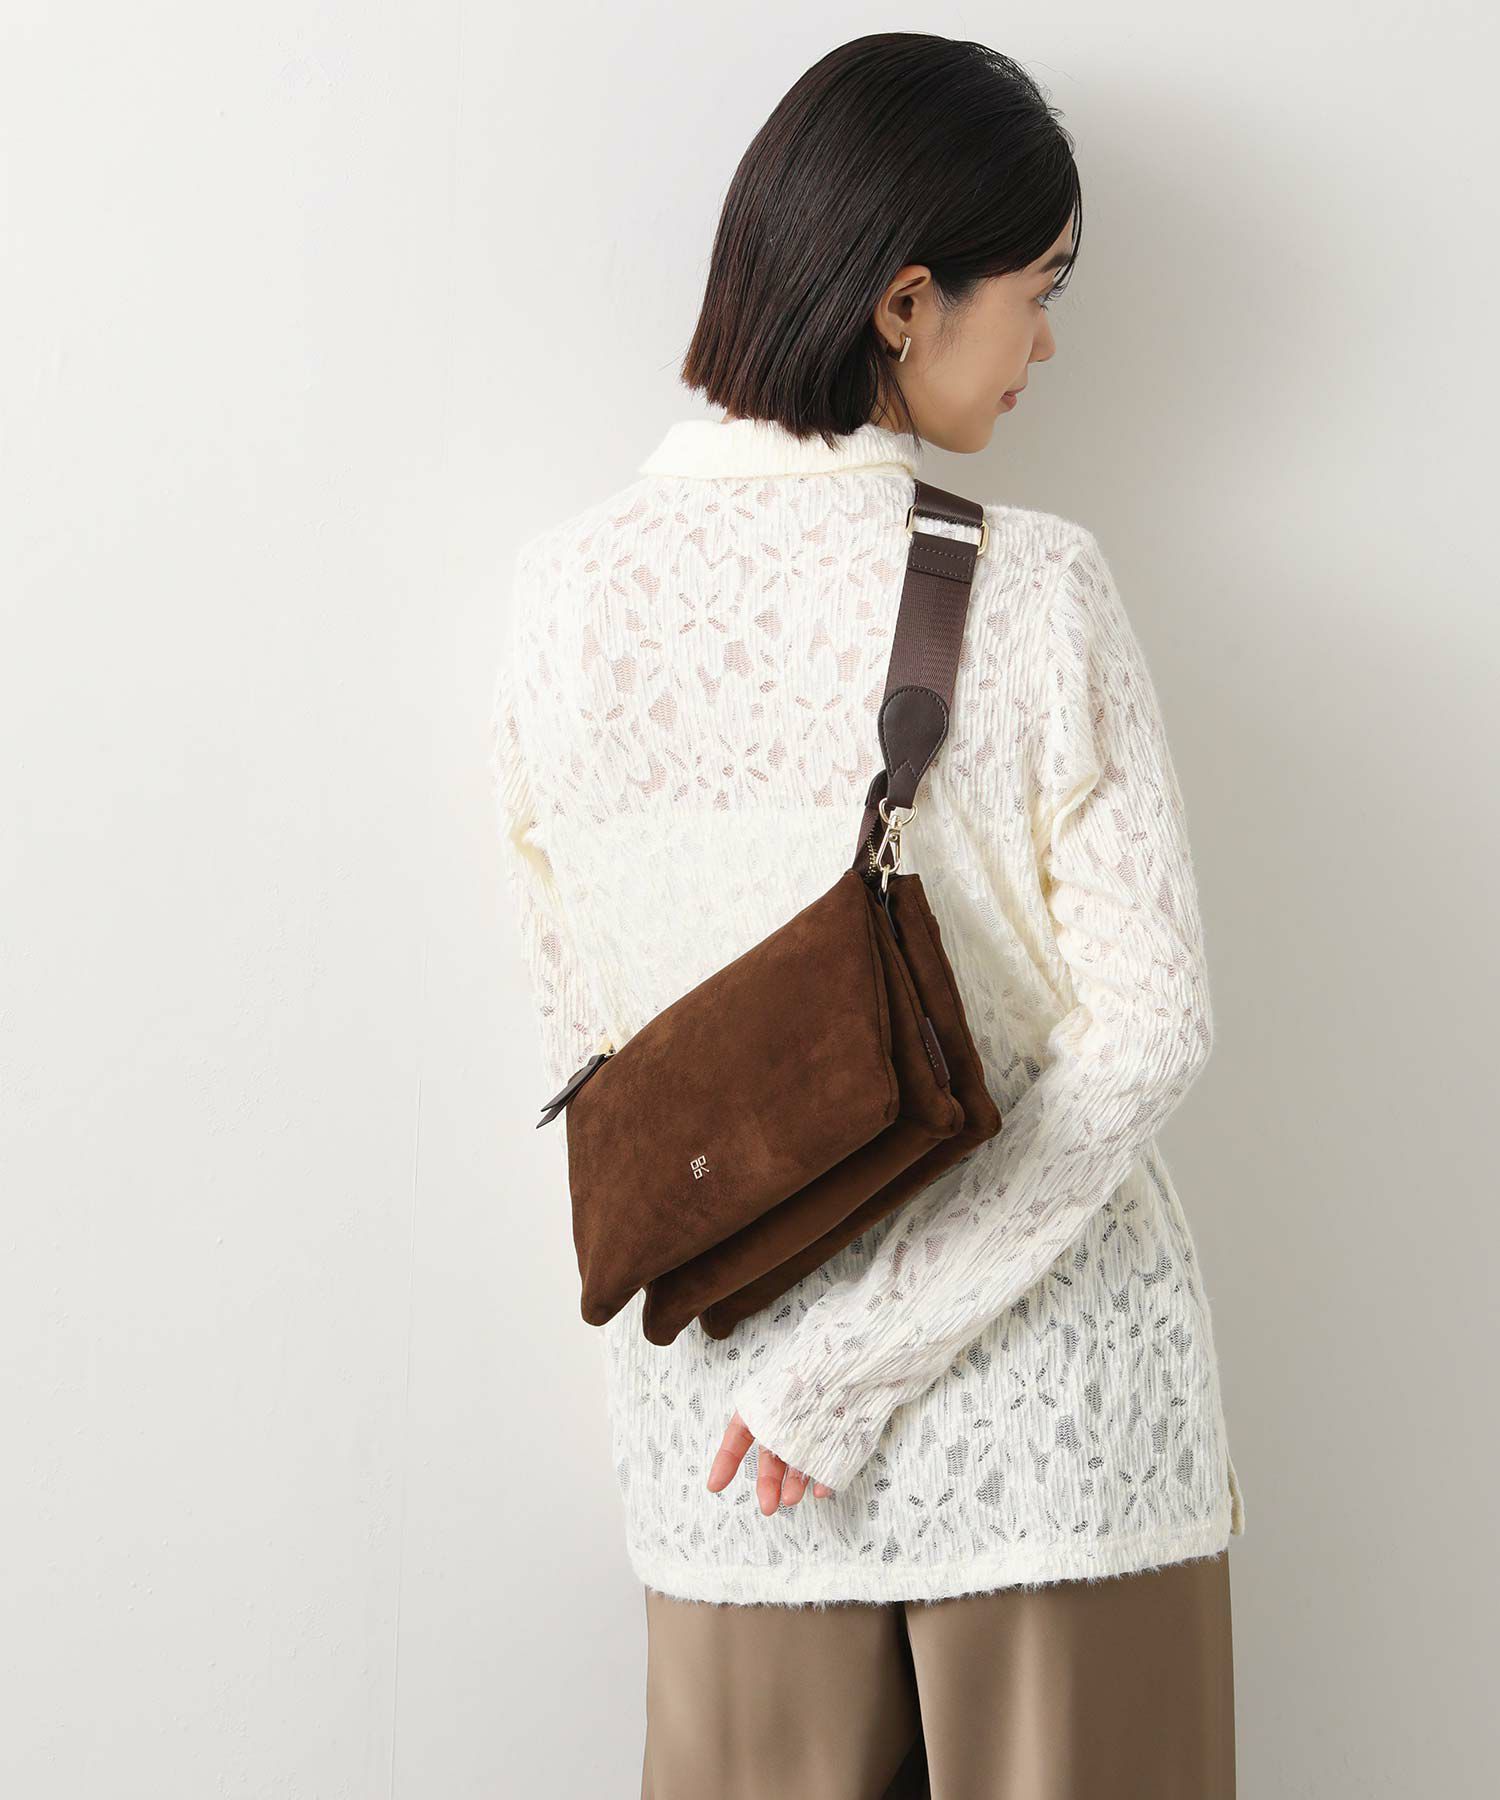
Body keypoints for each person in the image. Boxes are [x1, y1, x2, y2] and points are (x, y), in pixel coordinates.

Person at [492, 30, 1245, 1800]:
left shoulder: (558, 599)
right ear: (909, 302)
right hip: (1051, 1444)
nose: (1047, 344)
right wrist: (869, 1365)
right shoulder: (1036, 585)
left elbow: (589, 1041)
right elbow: (1152, 1033)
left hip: (729, 1447)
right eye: (1038, 290)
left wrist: (805, 1368)